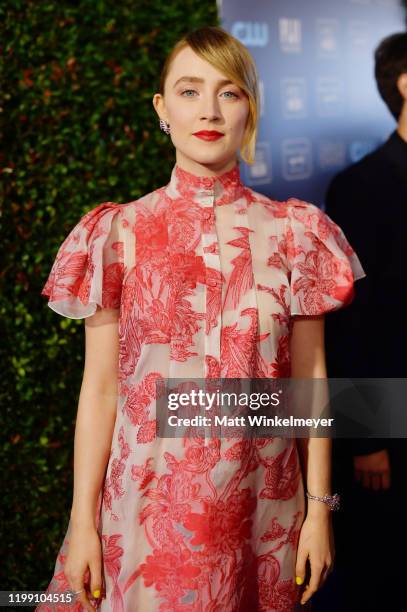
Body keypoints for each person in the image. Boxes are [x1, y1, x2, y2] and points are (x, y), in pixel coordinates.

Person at [36, 26, 365, 612]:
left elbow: (311, 386)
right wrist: (81, 523)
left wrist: (319, 511)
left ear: (250, 108)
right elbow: (101, 390)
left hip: (266, 510)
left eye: (229, 92)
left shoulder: (297, 233)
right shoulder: (118, 234)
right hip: (143, 509)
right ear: (162, 108)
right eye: (189, 91)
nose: (208, 111)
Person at [323, 32, 407, 611]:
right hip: (393, 431)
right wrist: (366, 439)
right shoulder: (360, 188)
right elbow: (350, 325)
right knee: (386, 573)